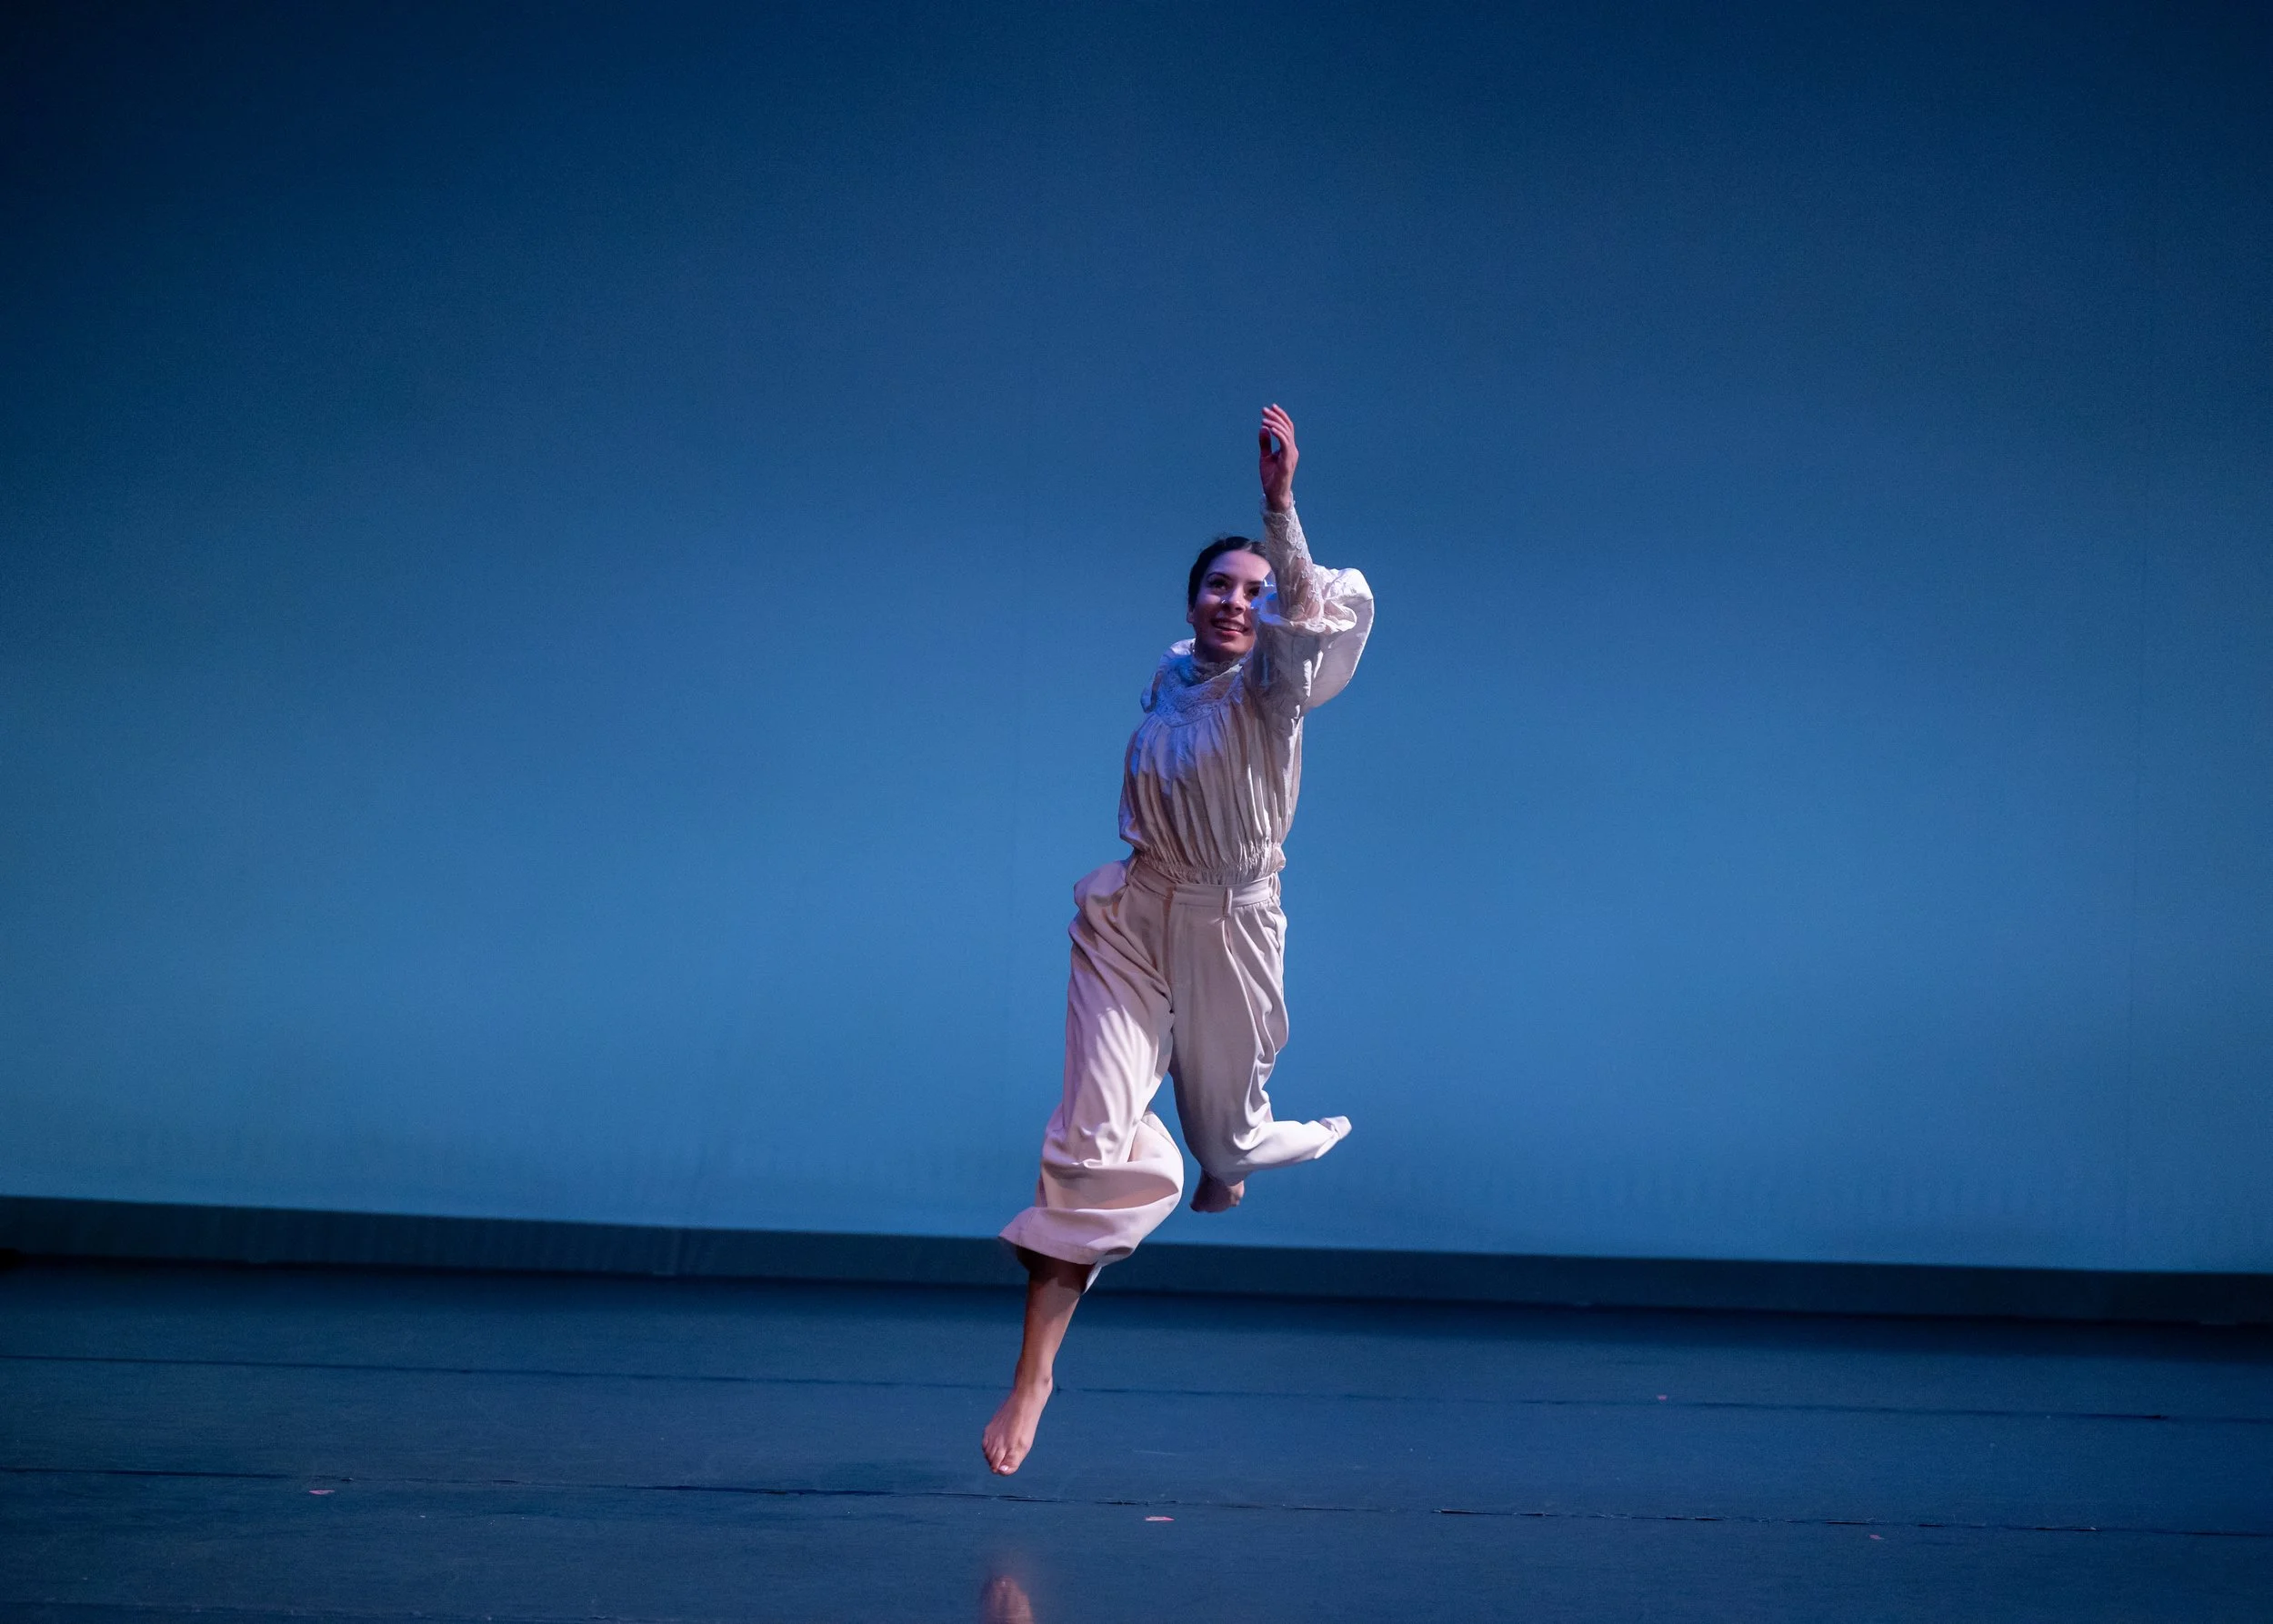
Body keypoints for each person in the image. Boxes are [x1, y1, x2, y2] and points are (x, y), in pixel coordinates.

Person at [981, 404, 1374, 1475]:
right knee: (1085, 1150)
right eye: (1220, 587)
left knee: (1230, 1141)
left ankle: (1233, 1151)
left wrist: (1280, 507)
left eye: (1253, 592)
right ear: (1190, 600)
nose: (1236, 604)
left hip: (1231, 926)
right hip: (1133, 916)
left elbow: (1309, 618)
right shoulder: (1169, 669)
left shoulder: (1274, 689)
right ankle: (1033, 1377)